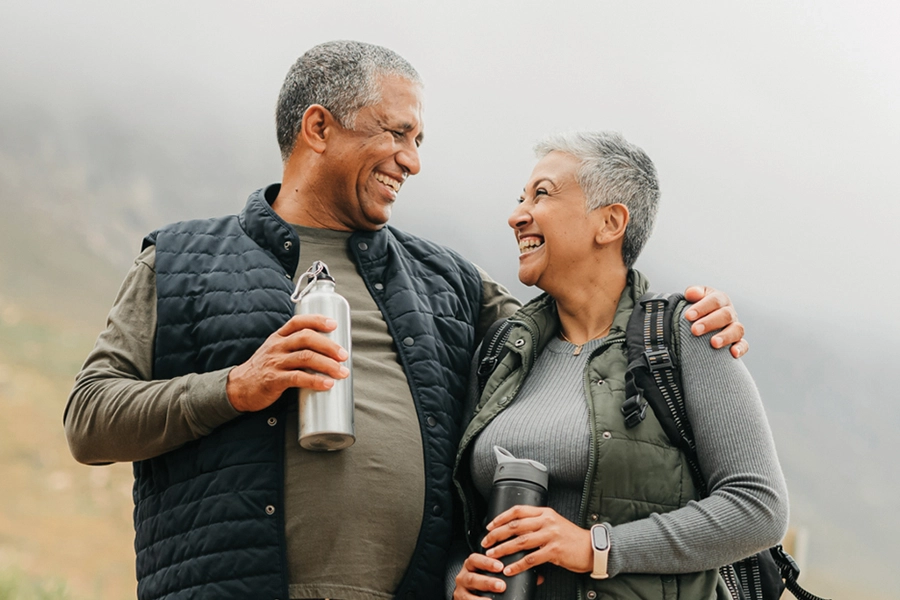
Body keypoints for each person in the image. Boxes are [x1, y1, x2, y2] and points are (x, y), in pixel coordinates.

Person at [64, 42, 748, 600]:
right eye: (397, 132)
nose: (413, 161)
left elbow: (580, 334)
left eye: (419, 140)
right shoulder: (180, 260)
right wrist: (237, 387)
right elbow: (89, 418)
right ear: (319, 127)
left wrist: (682, 319)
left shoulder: (447, 281)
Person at [451, 131, 788, 600]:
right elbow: (459, 523)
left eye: (541, 194)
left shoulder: (684, 335)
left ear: (610, 223)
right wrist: (459, 585)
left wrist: (598, 547)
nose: (516, 215)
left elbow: (759, 508)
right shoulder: (503, 351)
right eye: (520, 197)